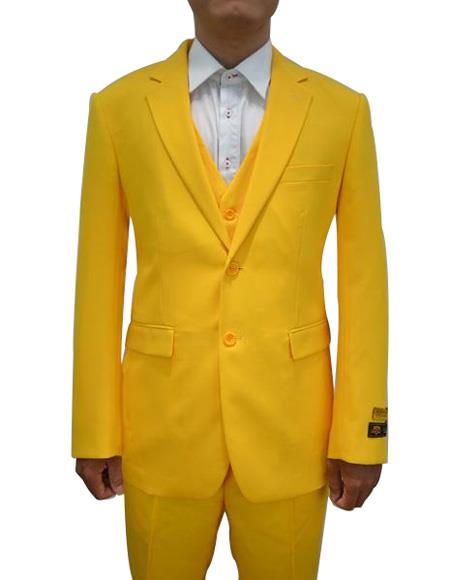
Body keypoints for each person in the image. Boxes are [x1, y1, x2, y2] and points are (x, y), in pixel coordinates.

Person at [71, 1, 389, 578]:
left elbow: (365, 282)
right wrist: (94, 427)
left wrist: (365, 434)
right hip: (160, 430)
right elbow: (97, 277)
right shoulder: (118, 108)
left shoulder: (341, 111)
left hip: (292, 434)